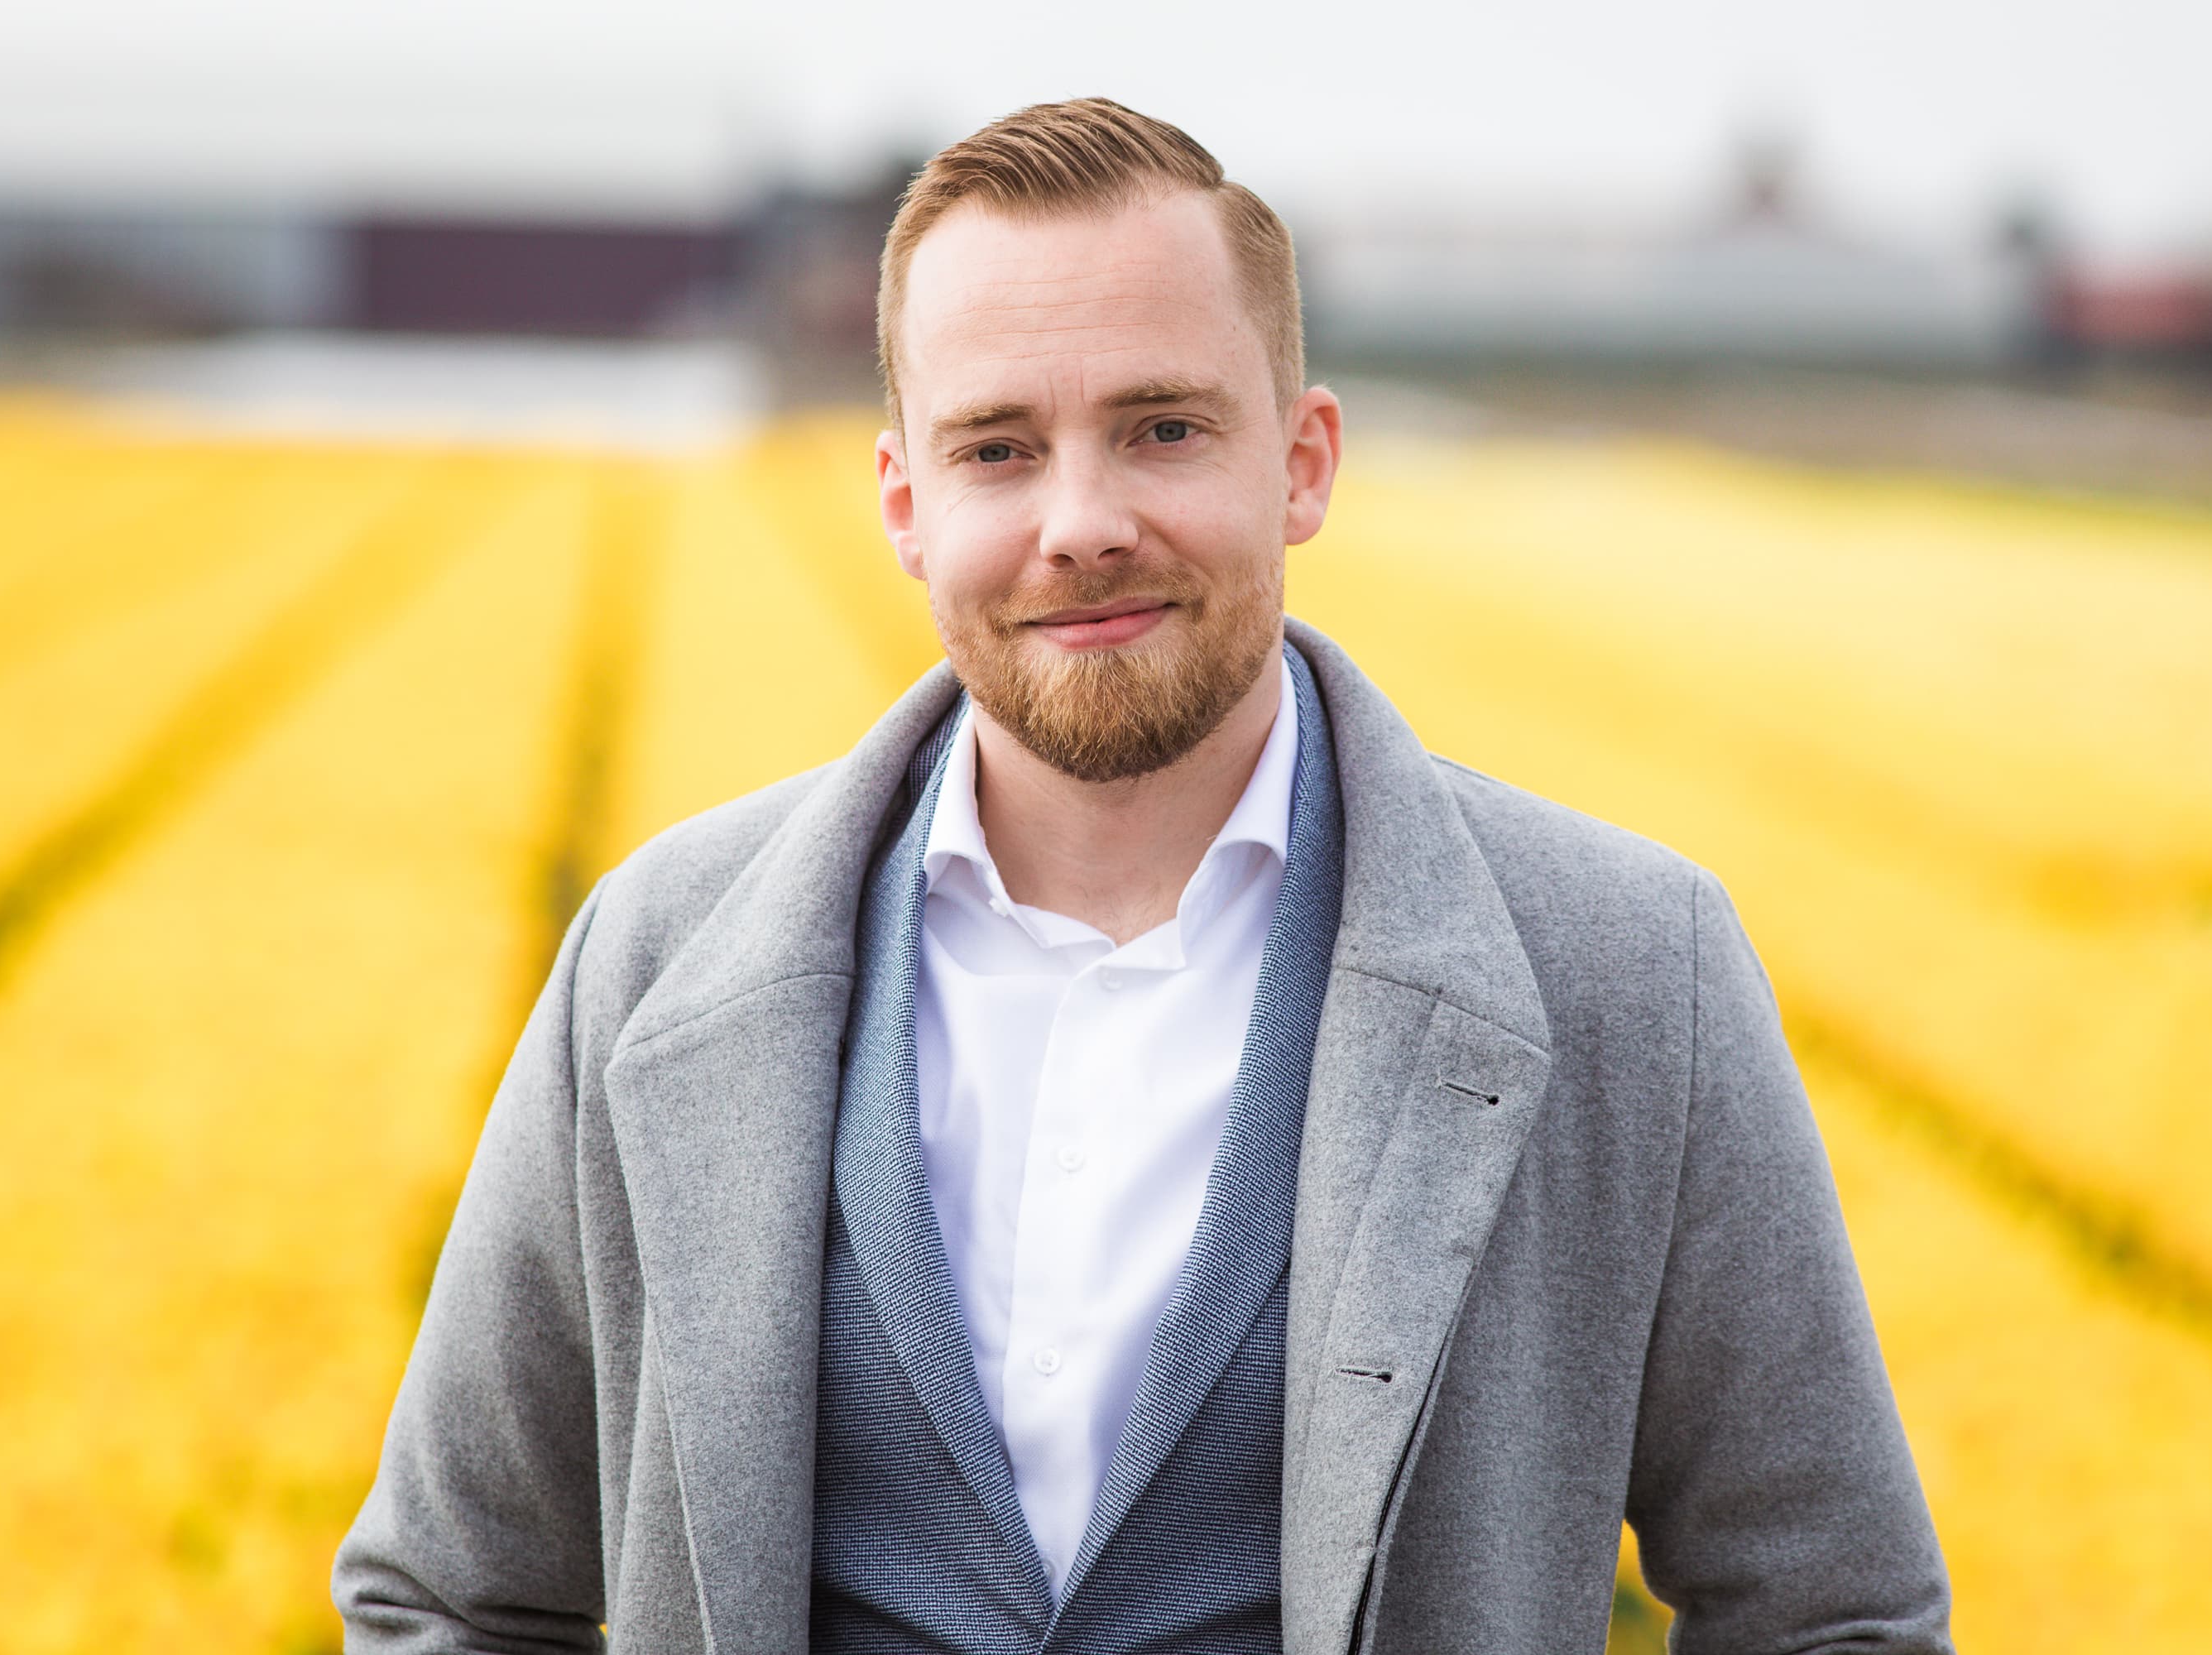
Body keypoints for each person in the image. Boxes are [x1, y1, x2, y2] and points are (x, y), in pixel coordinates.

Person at [334, 97, 1953, 1654]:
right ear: (905, 504)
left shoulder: (1630, 968)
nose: (1082, 522)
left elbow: (1834, 1616)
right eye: (997, 449)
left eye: (1162, 429)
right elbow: (452, 1599)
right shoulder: (656, 959)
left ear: (1303, 461)